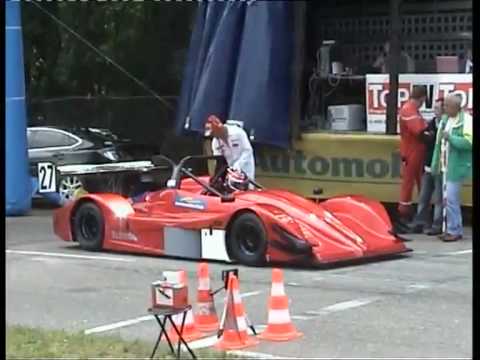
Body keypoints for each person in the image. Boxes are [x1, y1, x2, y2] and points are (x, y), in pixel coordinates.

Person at [430, 94, 472, 242]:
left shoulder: (466, 120)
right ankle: (450, 228)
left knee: (452, 199)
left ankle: (454, 230)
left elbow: (468, 143)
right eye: (444, 106)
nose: (444, 108)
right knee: (446, 199)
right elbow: (438, 144)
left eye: (447, 106)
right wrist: (435, 163)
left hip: (457, 166)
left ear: (456, 107)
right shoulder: (445, 120)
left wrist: (451, 138)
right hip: (444, 165)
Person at [407, 98, 444, 235]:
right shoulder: (431, 123)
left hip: (441, 167)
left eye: (438, 108)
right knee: (423, 197)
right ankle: (420, 222)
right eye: (435, 108)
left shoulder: (446, 125)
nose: (436, 111)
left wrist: (431, 138)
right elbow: (424, 139)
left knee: (439, 198)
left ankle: (437, 224)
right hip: (428, 165)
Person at [397, 85, 428, 222]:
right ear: (423, 98)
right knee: (409, 185)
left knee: (420, 183)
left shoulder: (411, 109)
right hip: (412, 152)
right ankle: (404, 215)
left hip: (415, 152)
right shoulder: (409, 110)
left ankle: (419, 213)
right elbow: (420, 132)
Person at [204, 115, 255, 186]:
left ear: (219, 129)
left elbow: (248, 151)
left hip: (245, 167)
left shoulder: (238, 133)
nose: (213, 135)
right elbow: (219, 161)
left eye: (213, 132)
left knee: (248, 187)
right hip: (231, 171)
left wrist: (238, 165)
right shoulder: (216, 142)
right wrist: (217, 177)